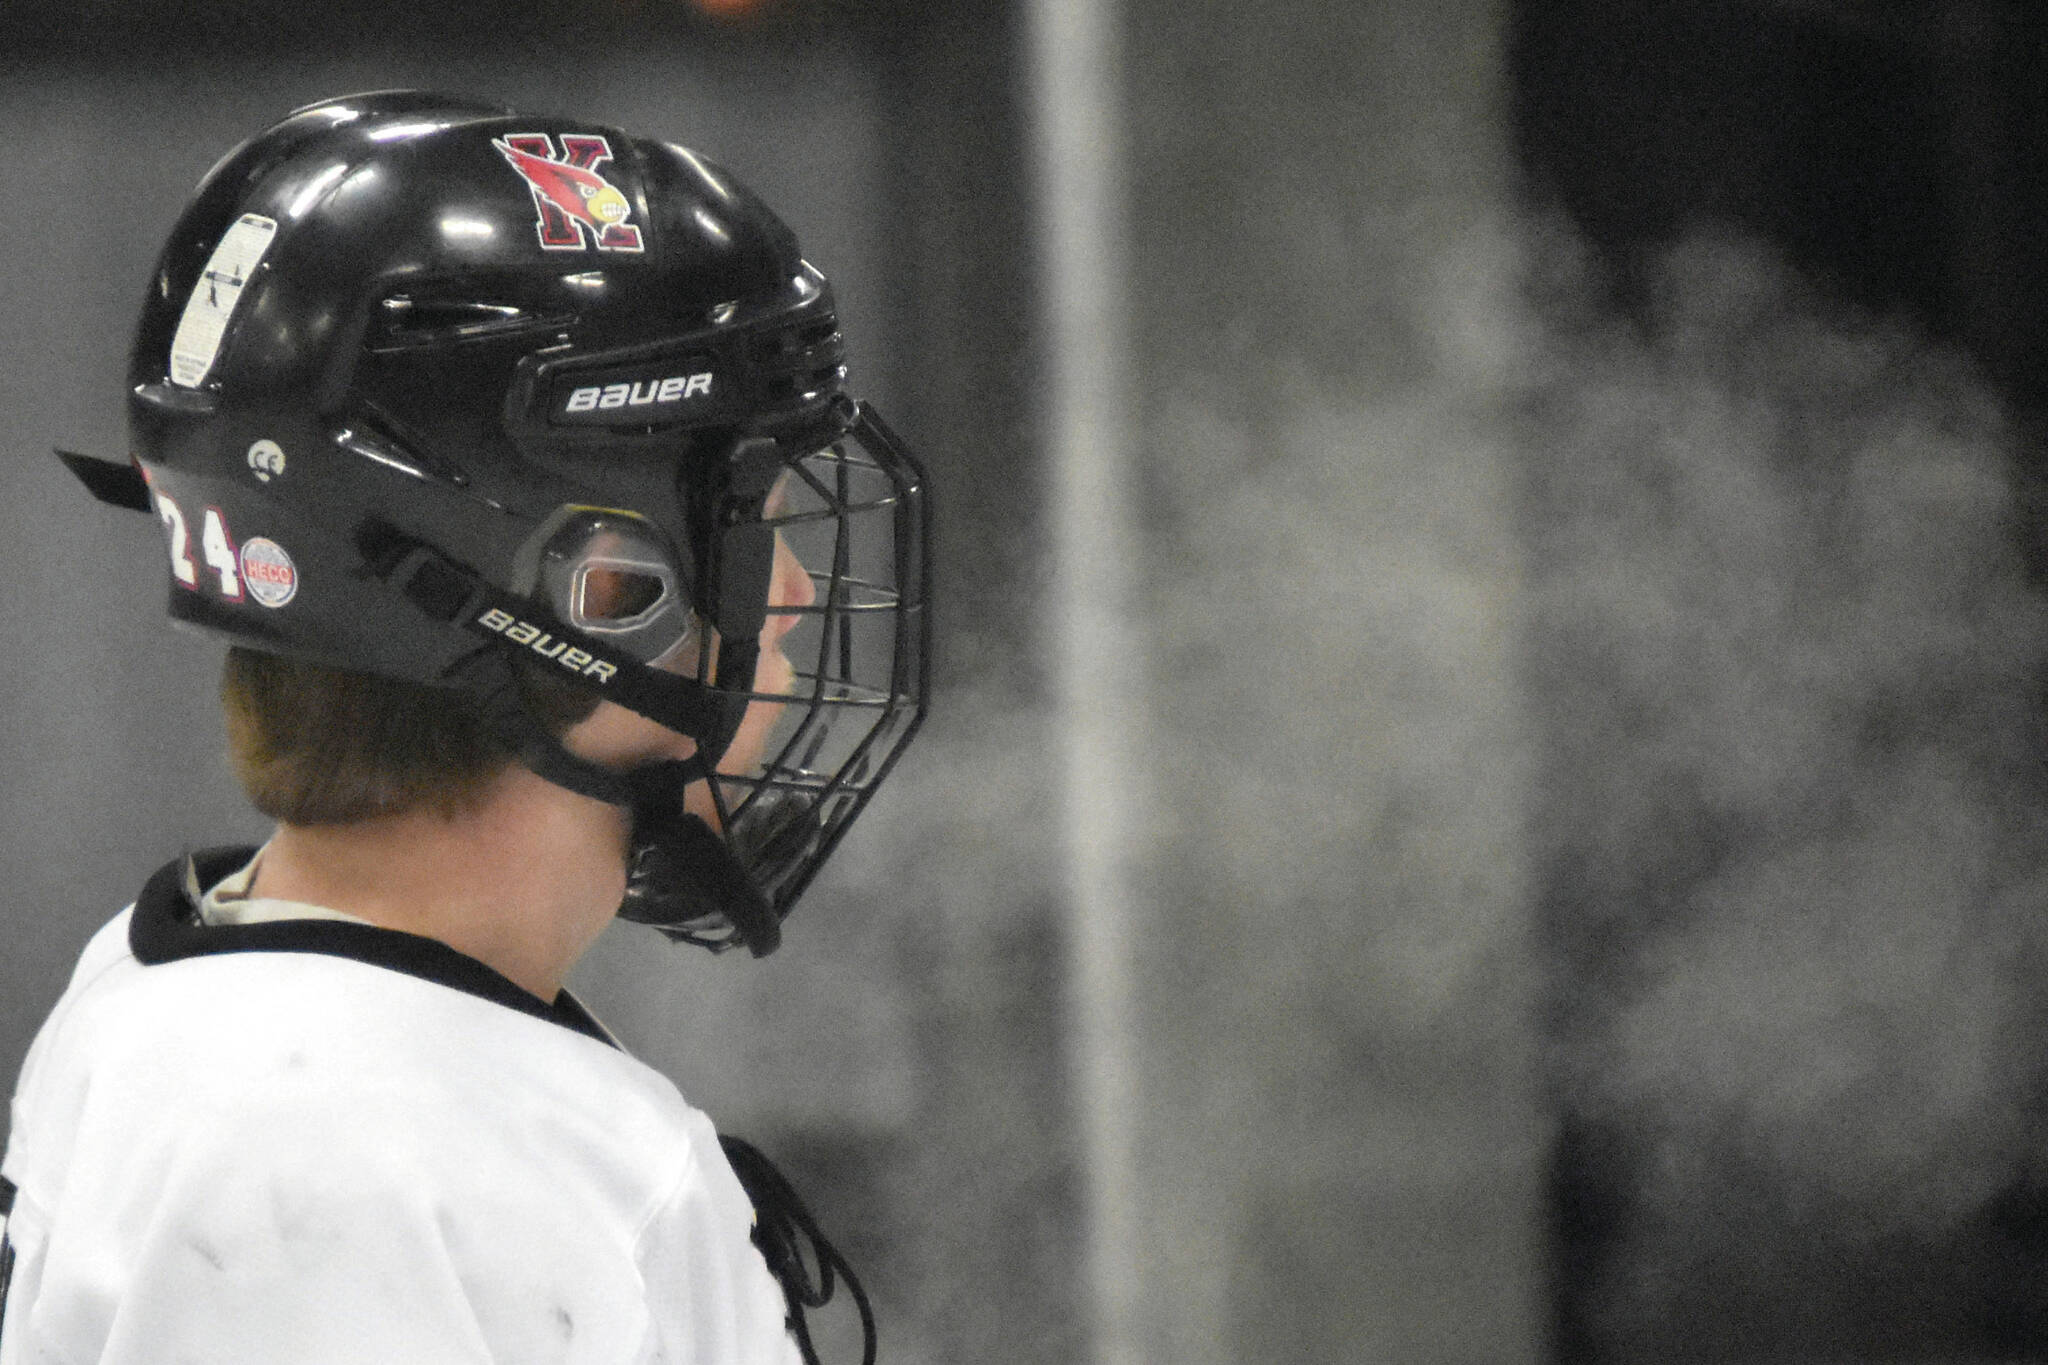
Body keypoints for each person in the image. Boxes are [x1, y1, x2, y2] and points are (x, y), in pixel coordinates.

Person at [0, 90, 929, 1365]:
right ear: (600, 593)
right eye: (752, 513)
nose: (802, 593)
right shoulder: (358, 1169)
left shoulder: (208, 998)